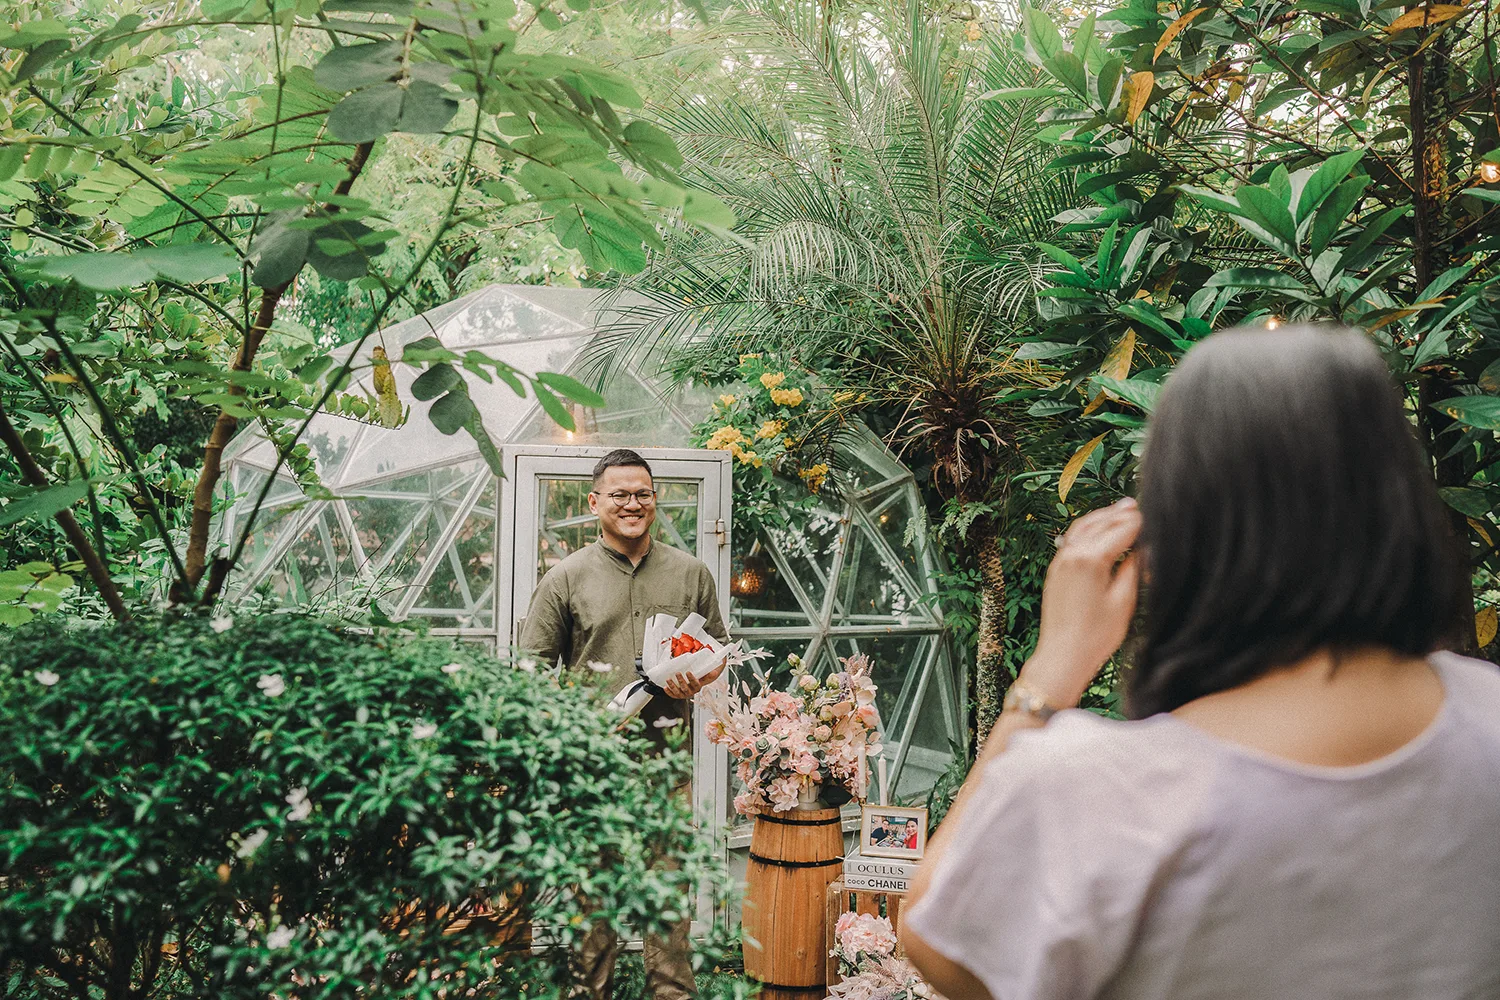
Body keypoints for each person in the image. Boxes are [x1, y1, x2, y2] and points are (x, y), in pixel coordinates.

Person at [901, 325, 1500, 1000]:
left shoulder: (1104, 792)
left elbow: (937, 930)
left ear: (1176, 528)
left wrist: (1049, 673)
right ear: (1402, 500)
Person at [519, 448, 728, 1000]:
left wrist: (698, 676)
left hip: (666, 768)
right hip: (595, 771)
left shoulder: (690, 573)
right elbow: (531, 670)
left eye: (643, 493)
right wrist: (575, 723)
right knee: (593, 906)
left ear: (655, 500)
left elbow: (718, 649)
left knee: (667, 903)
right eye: (620, 494)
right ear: (595, 503)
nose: (633, 504)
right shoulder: (564, 578)